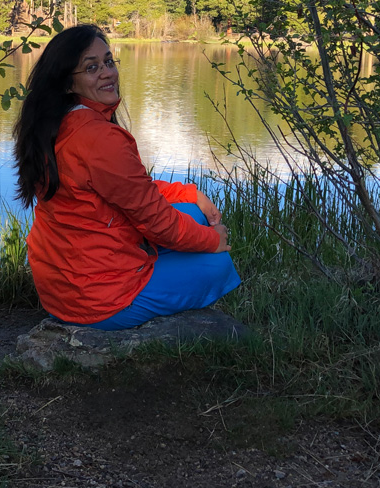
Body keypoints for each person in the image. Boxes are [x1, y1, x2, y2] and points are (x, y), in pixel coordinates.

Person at [12, 24, 240, 330]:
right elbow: (157, 222)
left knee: (192, 212)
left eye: (108, 61)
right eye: (91, 67)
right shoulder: (97, 137)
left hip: (60, 288)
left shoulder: (55, 123)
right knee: (218, 264)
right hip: (97, 300)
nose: (107, 72)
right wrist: (212, 241)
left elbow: (129, 188)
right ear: (68, 83)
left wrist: (189, 194)